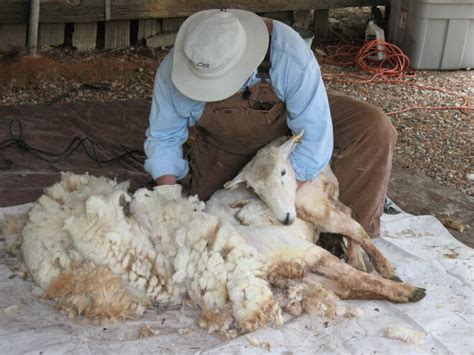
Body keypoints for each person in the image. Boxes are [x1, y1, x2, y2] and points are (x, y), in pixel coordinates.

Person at [144, 9, 397, 238]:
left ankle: (349, 235)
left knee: (373, 127)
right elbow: (163, 137)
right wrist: (168, 200)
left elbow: (314, 136)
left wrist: (279, 194)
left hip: (288, 130)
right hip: (226, 145)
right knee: (220, 223)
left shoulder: (288, 53)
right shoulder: (173, 72)